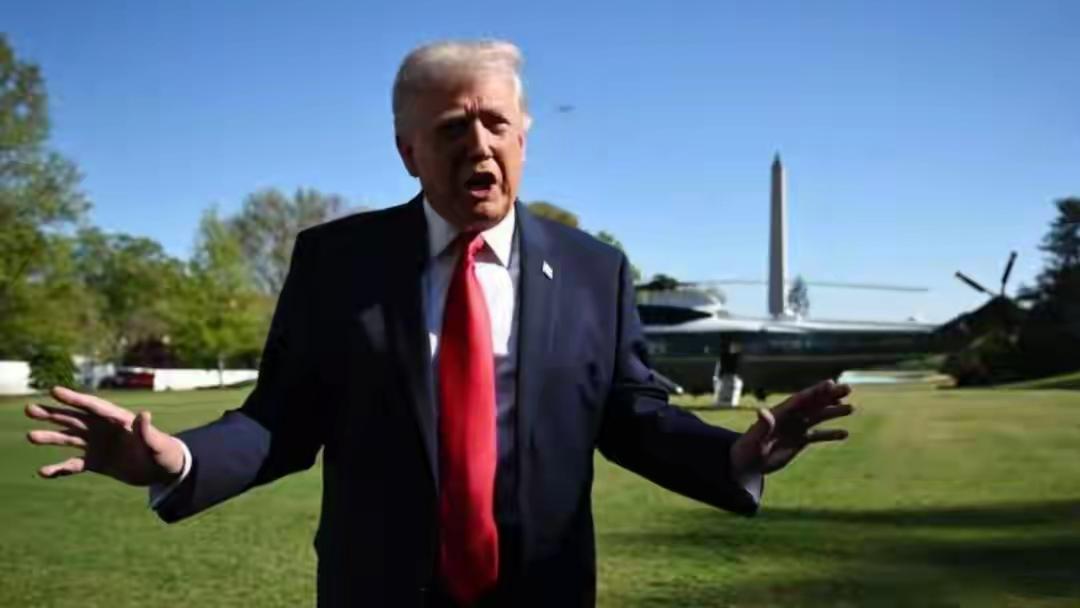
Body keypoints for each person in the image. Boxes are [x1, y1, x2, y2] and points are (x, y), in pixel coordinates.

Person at [25, 39, 854, 607]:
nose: (479, 145)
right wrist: (177, 458)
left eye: (496, 123)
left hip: (545, 592)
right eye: (452, 127)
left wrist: (732, 455)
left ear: (524, 138)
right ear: (408, 151)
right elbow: (282, 419)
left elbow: (630, 415)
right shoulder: (336, 261)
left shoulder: (594, 270)